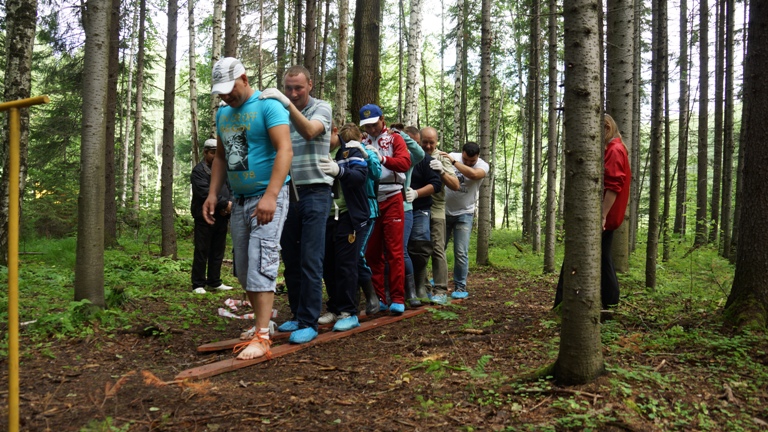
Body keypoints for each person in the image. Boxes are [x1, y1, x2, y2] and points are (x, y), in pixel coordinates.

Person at [206, 57, 293, 360]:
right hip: (240, 200)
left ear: (243, 78)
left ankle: (262, 336)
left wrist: (271, 194)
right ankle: (262, 322)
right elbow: (221, 157)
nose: (225, 96)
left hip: (267, 198)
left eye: (229, 89)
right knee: (244, 268)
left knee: (261, 262)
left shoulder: (268, 106)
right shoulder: (224, 115)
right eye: (220, 91)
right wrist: (212, 194)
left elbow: (285, 148)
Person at [259, 66, 333, 344]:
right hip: (287, 192)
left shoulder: (321, 108)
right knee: (290, 258)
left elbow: (311, 131)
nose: (293, 92)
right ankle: (298, 312)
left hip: (316, 192)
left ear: (309, 85)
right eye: (288, 88)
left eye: (298, 87)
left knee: (310, 258)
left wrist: (285, 103)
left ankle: (309, 321)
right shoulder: (280, 113)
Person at [553, 114, 631, 309]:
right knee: (600, 257)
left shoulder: (615, 150)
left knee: (594, 257)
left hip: (605, 215)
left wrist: (602, 214)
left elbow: (614, 185)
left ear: (606, 128)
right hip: (604, 214)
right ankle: (607, 302)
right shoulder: (614, 148)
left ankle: (607, 303)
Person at [360, 104, 411, 314]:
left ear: (382, 119)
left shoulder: (394, 138)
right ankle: (379, 298)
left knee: (394, 250)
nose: (371, 129)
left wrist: (381, 158)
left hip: (392, 197)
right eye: (367, 126)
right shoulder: (362, 141)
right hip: (371, 200)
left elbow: (405, 163)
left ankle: (398, 298)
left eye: (373, 124)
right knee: (371, 251)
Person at [318, 123, 369, 330]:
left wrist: (339, 170)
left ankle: (349, 311)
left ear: (334, 131)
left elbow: (360, 176)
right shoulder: (318, 152)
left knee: (346, 264)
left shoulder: (351, 150)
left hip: (349, 216)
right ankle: (335, 308)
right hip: (325, 216)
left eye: (324, 136)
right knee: (328, 264)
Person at [441, 142, 489, 299]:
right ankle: (438, 282)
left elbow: (474, 175)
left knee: (461, 252)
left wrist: (454, 163)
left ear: (478, 157)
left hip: (465, 214)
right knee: (439, 249)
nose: (468, 163)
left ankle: (460, 286)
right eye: (465, 160)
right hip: (444, 211)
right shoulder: (452, 156)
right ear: (461, 153)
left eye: (472, 161)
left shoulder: (482, 165)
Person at [419, 127, 460, 304]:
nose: (428, 146)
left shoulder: (442, 158)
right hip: (418, 208)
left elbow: (456, 185)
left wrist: (442, 171)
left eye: (431, 142)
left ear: (437, 142)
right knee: (419, 249)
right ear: (419, 140)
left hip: (436, 208)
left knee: (437, 249)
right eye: (425, 142)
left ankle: (441, 289)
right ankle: (424, 287)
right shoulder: (415, 155)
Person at [190, 139, 234, 294]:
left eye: (218, 152)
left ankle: (214, 281)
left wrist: (228, 207)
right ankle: (198, 284)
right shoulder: (199, 171)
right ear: (205, 152)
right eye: (212, 152)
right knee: (202, 250)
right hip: (203, 216)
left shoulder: (224, 170)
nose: (215, 156)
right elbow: (204, 193)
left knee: (218, 250)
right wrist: (224, 204)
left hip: (221, 217)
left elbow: (232, 189)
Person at [404, 132, 442, 307]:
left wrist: (417, 193)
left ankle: (420, 286)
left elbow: (436, 184)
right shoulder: (395, 156)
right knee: (400, 249)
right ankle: (403, 289)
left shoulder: (425, 161)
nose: (425, 147)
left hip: (420, 209)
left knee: (419, 246)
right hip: (400, 209)